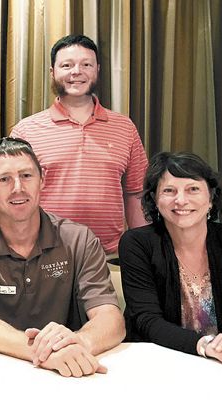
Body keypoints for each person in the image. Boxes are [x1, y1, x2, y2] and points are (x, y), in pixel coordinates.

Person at [0, 137, 124, 377]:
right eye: (4, 179)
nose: (17, 187)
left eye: (26, 176)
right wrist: (42, 352)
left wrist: (81, 342)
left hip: (66, 372)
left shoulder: (79, 239)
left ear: (42, 179)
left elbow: (111, 318)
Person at [10, 34, 148, 255]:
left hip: (109, 255)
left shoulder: (125, 127)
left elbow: (135, 193)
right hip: (43, 255)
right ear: (53, 72)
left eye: (86, 64)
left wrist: (143, 250)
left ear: (97, 70)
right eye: (67, 65)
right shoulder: (26, 131)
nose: (77, 72)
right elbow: (14, 196)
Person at [119, 151, 222, 372]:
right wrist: (209, 347)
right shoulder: (137, 243)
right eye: (169, 191)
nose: (181, 200)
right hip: (154, 363)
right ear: (155, 199)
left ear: (211, 198)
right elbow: (147, 320)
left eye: (193, 189)